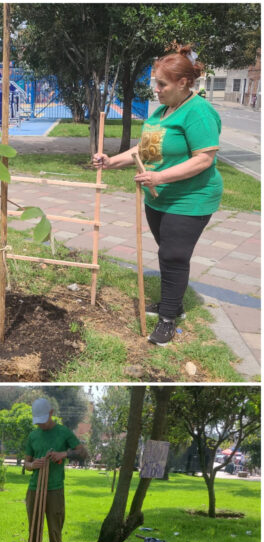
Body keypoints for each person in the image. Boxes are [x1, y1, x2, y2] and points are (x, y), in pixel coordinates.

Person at [91, 43, 221, 347]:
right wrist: (111, 162)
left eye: (162, 84)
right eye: (156, 84)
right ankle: (173, 303)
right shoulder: (163, 112)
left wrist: (160, 176)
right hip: (158, 197)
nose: (156, 90)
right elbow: (145, 150)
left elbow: (204, 159)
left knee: (173, 254)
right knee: (168, 251)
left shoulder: (199, 112)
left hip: (191, 198)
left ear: (183, 83)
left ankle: (168, 319)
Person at [23, 398, 87, 542]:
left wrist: (63, 454)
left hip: (55, 489)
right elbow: (26, 463)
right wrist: (33, 465)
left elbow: (83, 453)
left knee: (55, 530)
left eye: (43, 420)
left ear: (51, 413)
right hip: (34, 489)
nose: (41, 425)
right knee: (34, 529)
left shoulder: (64, 432)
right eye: (38, 421)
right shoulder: (33, 436)